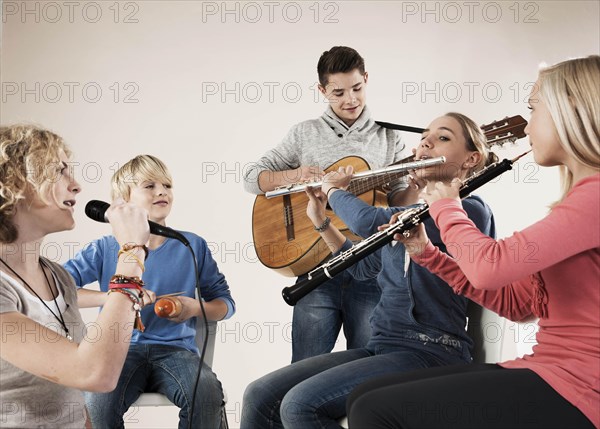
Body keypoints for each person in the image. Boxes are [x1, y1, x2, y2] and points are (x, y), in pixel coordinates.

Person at [346, 56, 599, 429]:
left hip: (580, 386)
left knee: (375, 410)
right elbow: (517, 304)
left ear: (570, 109)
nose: (527, 126)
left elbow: (488, 265)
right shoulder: (576, 203)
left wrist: (447, 205)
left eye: (533, 108)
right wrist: (427, 254)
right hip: (548, 369)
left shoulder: (594, 198)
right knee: (360, 397)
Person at [241, 112, 498, 428]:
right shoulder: (413, 215)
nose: (426, 142)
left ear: (472, 159)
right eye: (424, 137)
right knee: (259, 394)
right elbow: (364, 267)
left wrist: (335, 191)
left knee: (299, 406)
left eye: (443, 137)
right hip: (384, 346)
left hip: (430, 352)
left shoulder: (468, 209)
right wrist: (321, 220)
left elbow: (367, 222)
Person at [243, 46, 409, 362]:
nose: (350, 99)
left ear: (367, 80)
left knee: (367, 370)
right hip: (315, 267)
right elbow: (251, 178)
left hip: (371, 269)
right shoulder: (304, 133)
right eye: (338, 92)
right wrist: (296, 174)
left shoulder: (390, 138)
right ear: (322, 90)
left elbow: (398, 205)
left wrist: (416, 185)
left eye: (357, 88)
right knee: (303, 370)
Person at [64, 155, 236, 429]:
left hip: (176, 352)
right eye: (149, 185)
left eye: (167, 185)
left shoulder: (191, 245)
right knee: (97, 404)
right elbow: (59, 290)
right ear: (123, 200)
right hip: (119, 350)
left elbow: (225, 303)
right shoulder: (103, 248)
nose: (161, 191)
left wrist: (192, 308)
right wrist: (111, 298)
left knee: (205, 393)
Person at [0, 125, 152, 428]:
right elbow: (94, 373)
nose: (76, 186)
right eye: (58, 171)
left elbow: (75, 393)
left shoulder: (58, 277)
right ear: (13, 184)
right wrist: (132, 252)